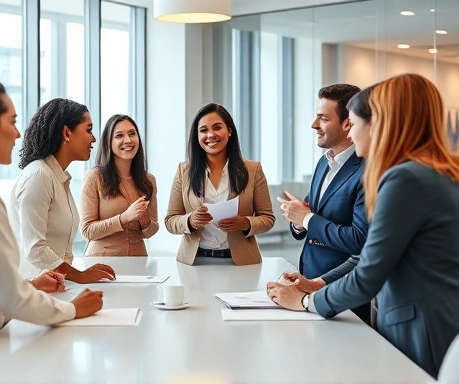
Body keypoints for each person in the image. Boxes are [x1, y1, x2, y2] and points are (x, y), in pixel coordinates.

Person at [267, 74, 459, 378]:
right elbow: (371, 254)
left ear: (380, 124)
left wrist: (305, 301)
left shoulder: (404, 180)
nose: (352, 134)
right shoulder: (434, 171)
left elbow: (368, 273)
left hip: (420, 330)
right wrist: (317, 283)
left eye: (355, 125)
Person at [0, 78, 103, 374]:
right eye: (12, 121)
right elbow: (11, 297)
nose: (18, 133)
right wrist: (72, 308)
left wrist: (32, 285)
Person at [277, 83, 370, 324]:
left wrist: (306, 219)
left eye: (323, 118)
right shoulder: (323, 163)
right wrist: (298, 221)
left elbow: (359, 240)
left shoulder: (367, 171)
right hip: (310, 281)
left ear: (347, 123)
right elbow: (311, 217)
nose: (314, 125)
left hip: (345, 292)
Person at [9, 98, 116, 283]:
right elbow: (35, 249)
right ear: (67, 133)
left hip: (55, 288)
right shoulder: (39, 175)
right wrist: (79, 276)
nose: (94, 138)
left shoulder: (58, 177)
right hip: (34, 293)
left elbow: (57, 251)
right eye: (88, 130)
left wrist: (77, 274)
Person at [165, 103, 275, 266]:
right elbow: (170, 220)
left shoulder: (253, 170)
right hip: (195, 260)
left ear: (229, 131)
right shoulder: (184, 171)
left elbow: (268, 218)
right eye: (203, 130)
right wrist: (190, 221)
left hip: (239, 259)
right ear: (197, 136)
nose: (210, 135)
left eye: (217, 127)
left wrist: (245, 223)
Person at [80, 114, 158, 256]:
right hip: (101, 264)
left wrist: (145, 220)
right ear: (108, 142)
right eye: (119, 135)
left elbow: (150, 232)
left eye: (132, 134)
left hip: (138, 263)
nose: (128, 140)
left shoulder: (149, 180)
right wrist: (123, 218)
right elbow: (87, 230)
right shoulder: (95, 177)